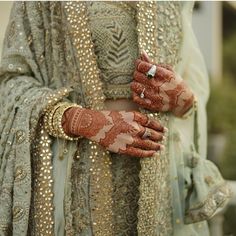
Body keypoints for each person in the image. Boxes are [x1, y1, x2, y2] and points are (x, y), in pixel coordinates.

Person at [0, 1, 231, 236]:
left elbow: (192, 88)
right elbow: (11, 81)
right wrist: (83, 121)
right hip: (77, 190)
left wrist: (182, 99)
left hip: (161, 193)